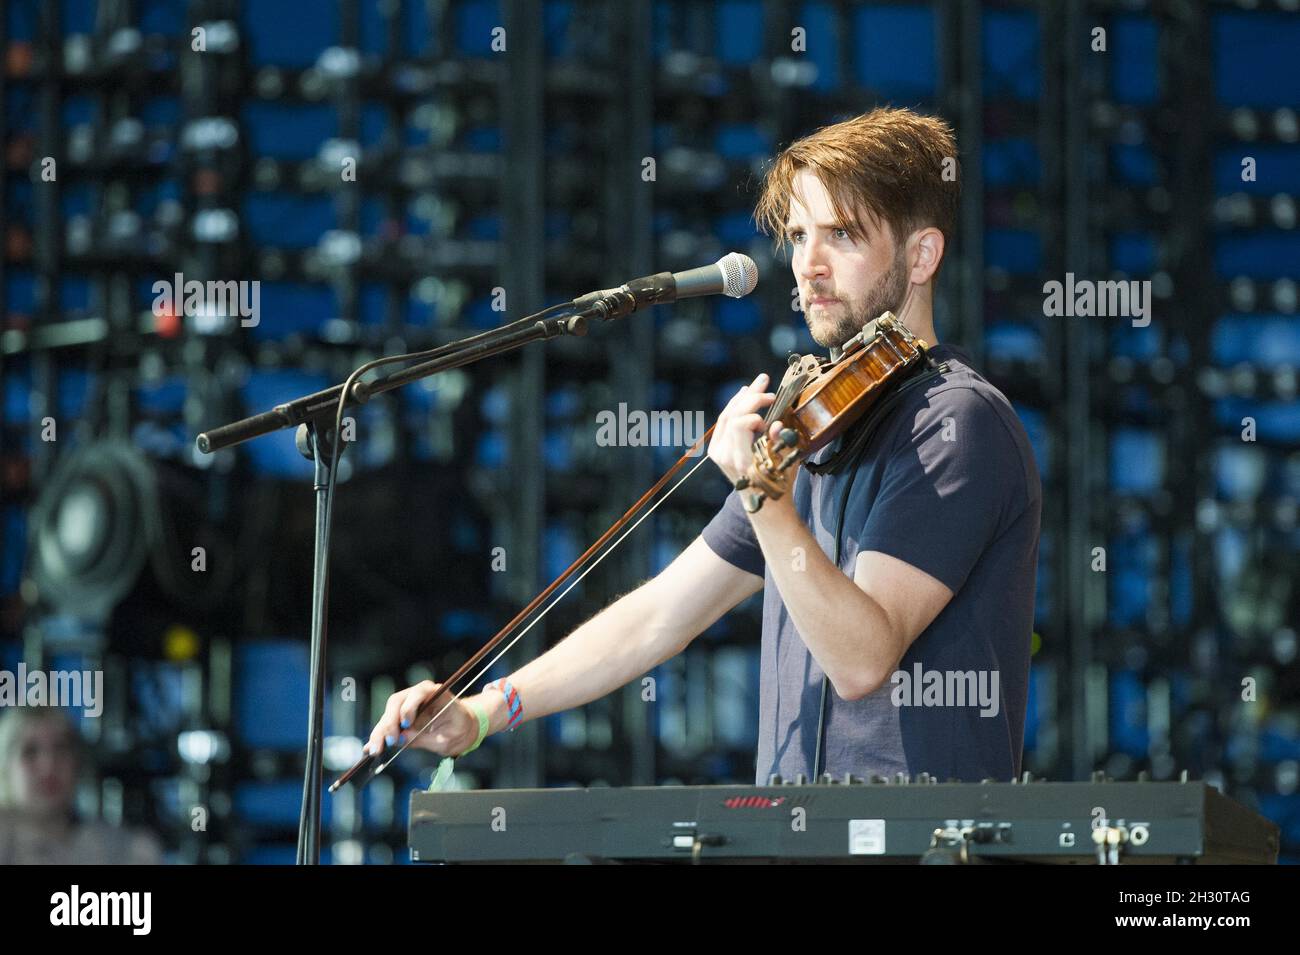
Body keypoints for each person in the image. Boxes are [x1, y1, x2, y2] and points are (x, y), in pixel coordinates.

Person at [366, 107, 1042, 784]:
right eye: (799, 235)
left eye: (841, 235)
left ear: (921, 254)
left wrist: (763, 499)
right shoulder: (816, 431)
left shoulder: (955, 422)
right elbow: (661, 616)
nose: (808, 265)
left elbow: (862, 657)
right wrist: (485, 711)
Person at [0, 706, 163, 864]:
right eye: (30, 751)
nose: (49, 766)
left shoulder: (127, 850)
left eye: (61, 748)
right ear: (5, 767)